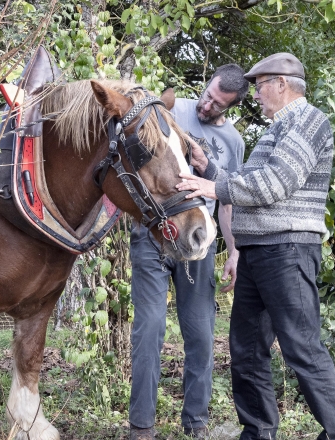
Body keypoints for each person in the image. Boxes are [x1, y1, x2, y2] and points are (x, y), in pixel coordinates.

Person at [176, 53, 335, 440]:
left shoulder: (308, 121)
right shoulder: (278, 130)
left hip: (287, 251)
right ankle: (257, 433)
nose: (255, 96)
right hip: (259, 253)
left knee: (302, 348)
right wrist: (208, 169)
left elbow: (276, 183)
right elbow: (247, 181)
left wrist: (213, 187)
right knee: (245, 350)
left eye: (259, 87)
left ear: (281, 84)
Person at [129, 64, 249, 440]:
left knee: (200, 333)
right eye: (208, 95)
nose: (207, 105)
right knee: (150, 328)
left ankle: (196, 421)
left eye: (217, 104)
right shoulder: (169, 108)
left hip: (198, 243)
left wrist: (233, 251)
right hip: (153, 234)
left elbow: (228, 202)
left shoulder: (234, 142)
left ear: (231, 106)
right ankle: (141, 426)